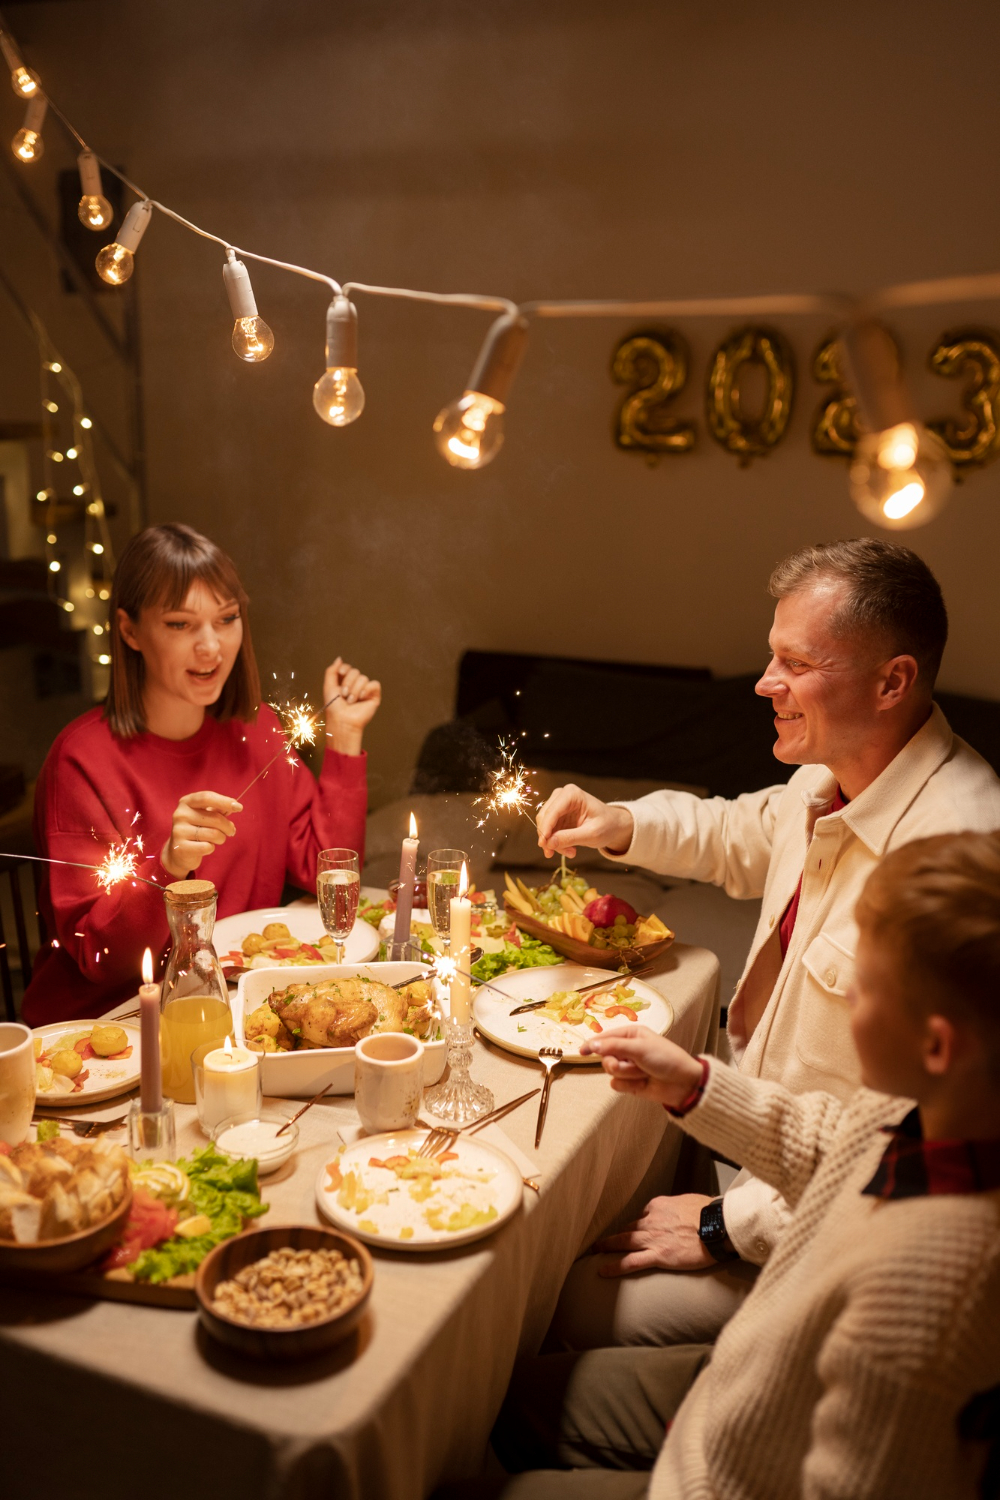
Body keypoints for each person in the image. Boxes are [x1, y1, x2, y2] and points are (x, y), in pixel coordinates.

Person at [537, 539, 1000, 1350]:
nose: (764, 683)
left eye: (795, 662)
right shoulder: (833, 775)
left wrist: (724, 1229)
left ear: (893, 680)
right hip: (748, 1137)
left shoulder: (961, 858)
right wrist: (621, 823)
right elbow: (738, 830)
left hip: (821, 1231)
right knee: (566, 1187)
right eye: (769, 655)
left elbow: (905, 1154)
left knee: (561, 1306)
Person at [447, 832, 1000, 1500]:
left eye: (868, 981)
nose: (846, 991)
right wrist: (693, 1086)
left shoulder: (927, 1298)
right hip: (739, 1390)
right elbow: (825, 1143)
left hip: (724, 1476)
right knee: (478, 1397)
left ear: (936, 1046)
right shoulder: (928, 1116)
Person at [23, 523, 381, 1024]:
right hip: (111, 1026)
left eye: (227, 618)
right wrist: (166, 865)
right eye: (180, 624)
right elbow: (98, 960)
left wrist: (343, 738)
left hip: (232, 1009)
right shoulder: (81, 761)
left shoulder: (257, 730)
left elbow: (329, 873)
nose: (211, 646)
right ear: (129, 631)